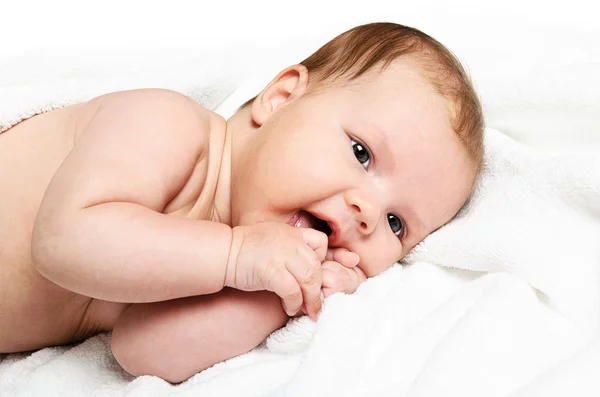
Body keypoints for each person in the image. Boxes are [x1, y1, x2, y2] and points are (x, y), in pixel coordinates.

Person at [0, 22, 483, 383]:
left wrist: (284, 293)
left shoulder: (230, 266)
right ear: (281, 97)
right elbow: (63, 241)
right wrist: (236, 255)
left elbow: (141, 352)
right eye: (362, 153)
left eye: (397, 224)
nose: (370, 213)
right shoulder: (167, 127)